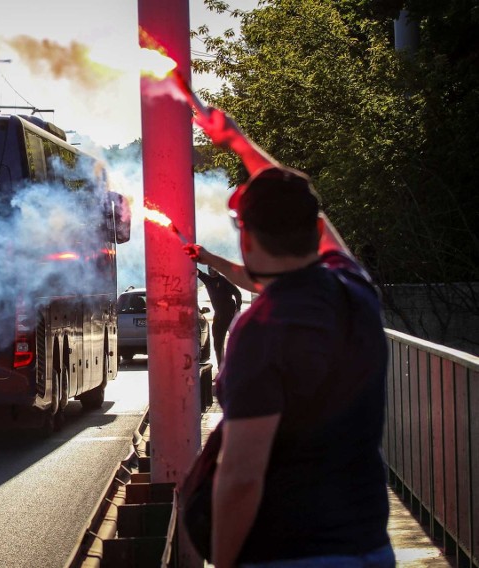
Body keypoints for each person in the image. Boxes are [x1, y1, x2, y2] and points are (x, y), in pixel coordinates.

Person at [181, 107, 394, 567]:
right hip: (370, 547)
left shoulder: (260, 332)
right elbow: (301, 207)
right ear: (317, 231)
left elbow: (241, 476)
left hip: (288, 551)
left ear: (247, 240)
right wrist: (239, 144)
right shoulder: (355, 291)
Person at [197, 266, 242, 367]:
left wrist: (238, 309)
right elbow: (198, 273)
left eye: (212, 268)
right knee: (218, 344)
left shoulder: (224, 280)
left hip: (230, 315)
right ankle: (221, 368)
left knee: (236, 341)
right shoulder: (208, 280)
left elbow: (237, 294)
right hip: (218, 316)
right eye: (208, 268)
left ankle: (237, 366)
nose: (210, 270)